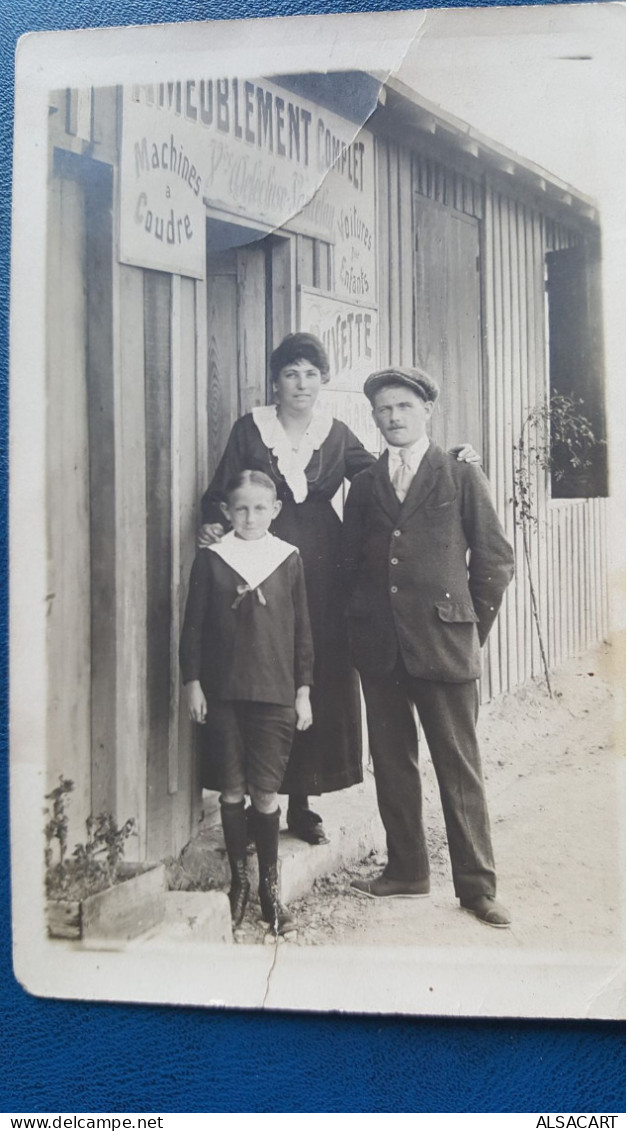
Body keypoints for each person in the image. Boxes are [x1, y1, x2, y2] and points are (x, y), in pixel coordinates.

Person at [199, 332, 480, 845]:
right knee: (259, 665)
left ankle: (302, 802)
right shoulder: (251, 429)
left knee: (313, 669)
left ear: (323, 380)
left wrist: (454, 457)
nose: (300, 384)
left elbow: (390, 470)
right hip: (259, 561)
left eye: (310, 373)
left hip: (322, 568)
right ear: (276, 381)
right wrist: (213, 524)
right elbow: (221, 490)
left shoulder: (336, 431)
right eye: (290, 373)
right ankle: (248, 797)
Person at [342, 367, 515, 927]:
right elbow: (351, 565)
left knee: (458, 766)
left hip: (444, 644)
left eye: (403, 407)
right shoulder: (366, 484)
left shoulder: (460, 473)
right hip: (381, 646)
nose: (393, 417)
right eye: (383, 409)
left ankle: (477, 887)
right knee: (392, 762)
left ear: (426, 412)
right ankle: (407, 870)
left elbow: (495, 561)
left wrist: (467, 628)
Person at [180, 470, 314, 936]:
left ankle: (269, 893)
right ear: (225, 511)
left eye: (260, 508)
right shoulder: (213, 560)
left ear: (275, 510)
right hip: (224, 693)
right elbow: (193, 626)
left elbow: (302, 631)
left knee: (265, 792)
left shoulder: (288, 559)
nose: (250, 517)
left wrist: (303, 691)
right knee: (231, 790)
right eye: (240, 508)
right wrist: (192, 683)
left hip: (274, 693)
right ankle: (238, 884)